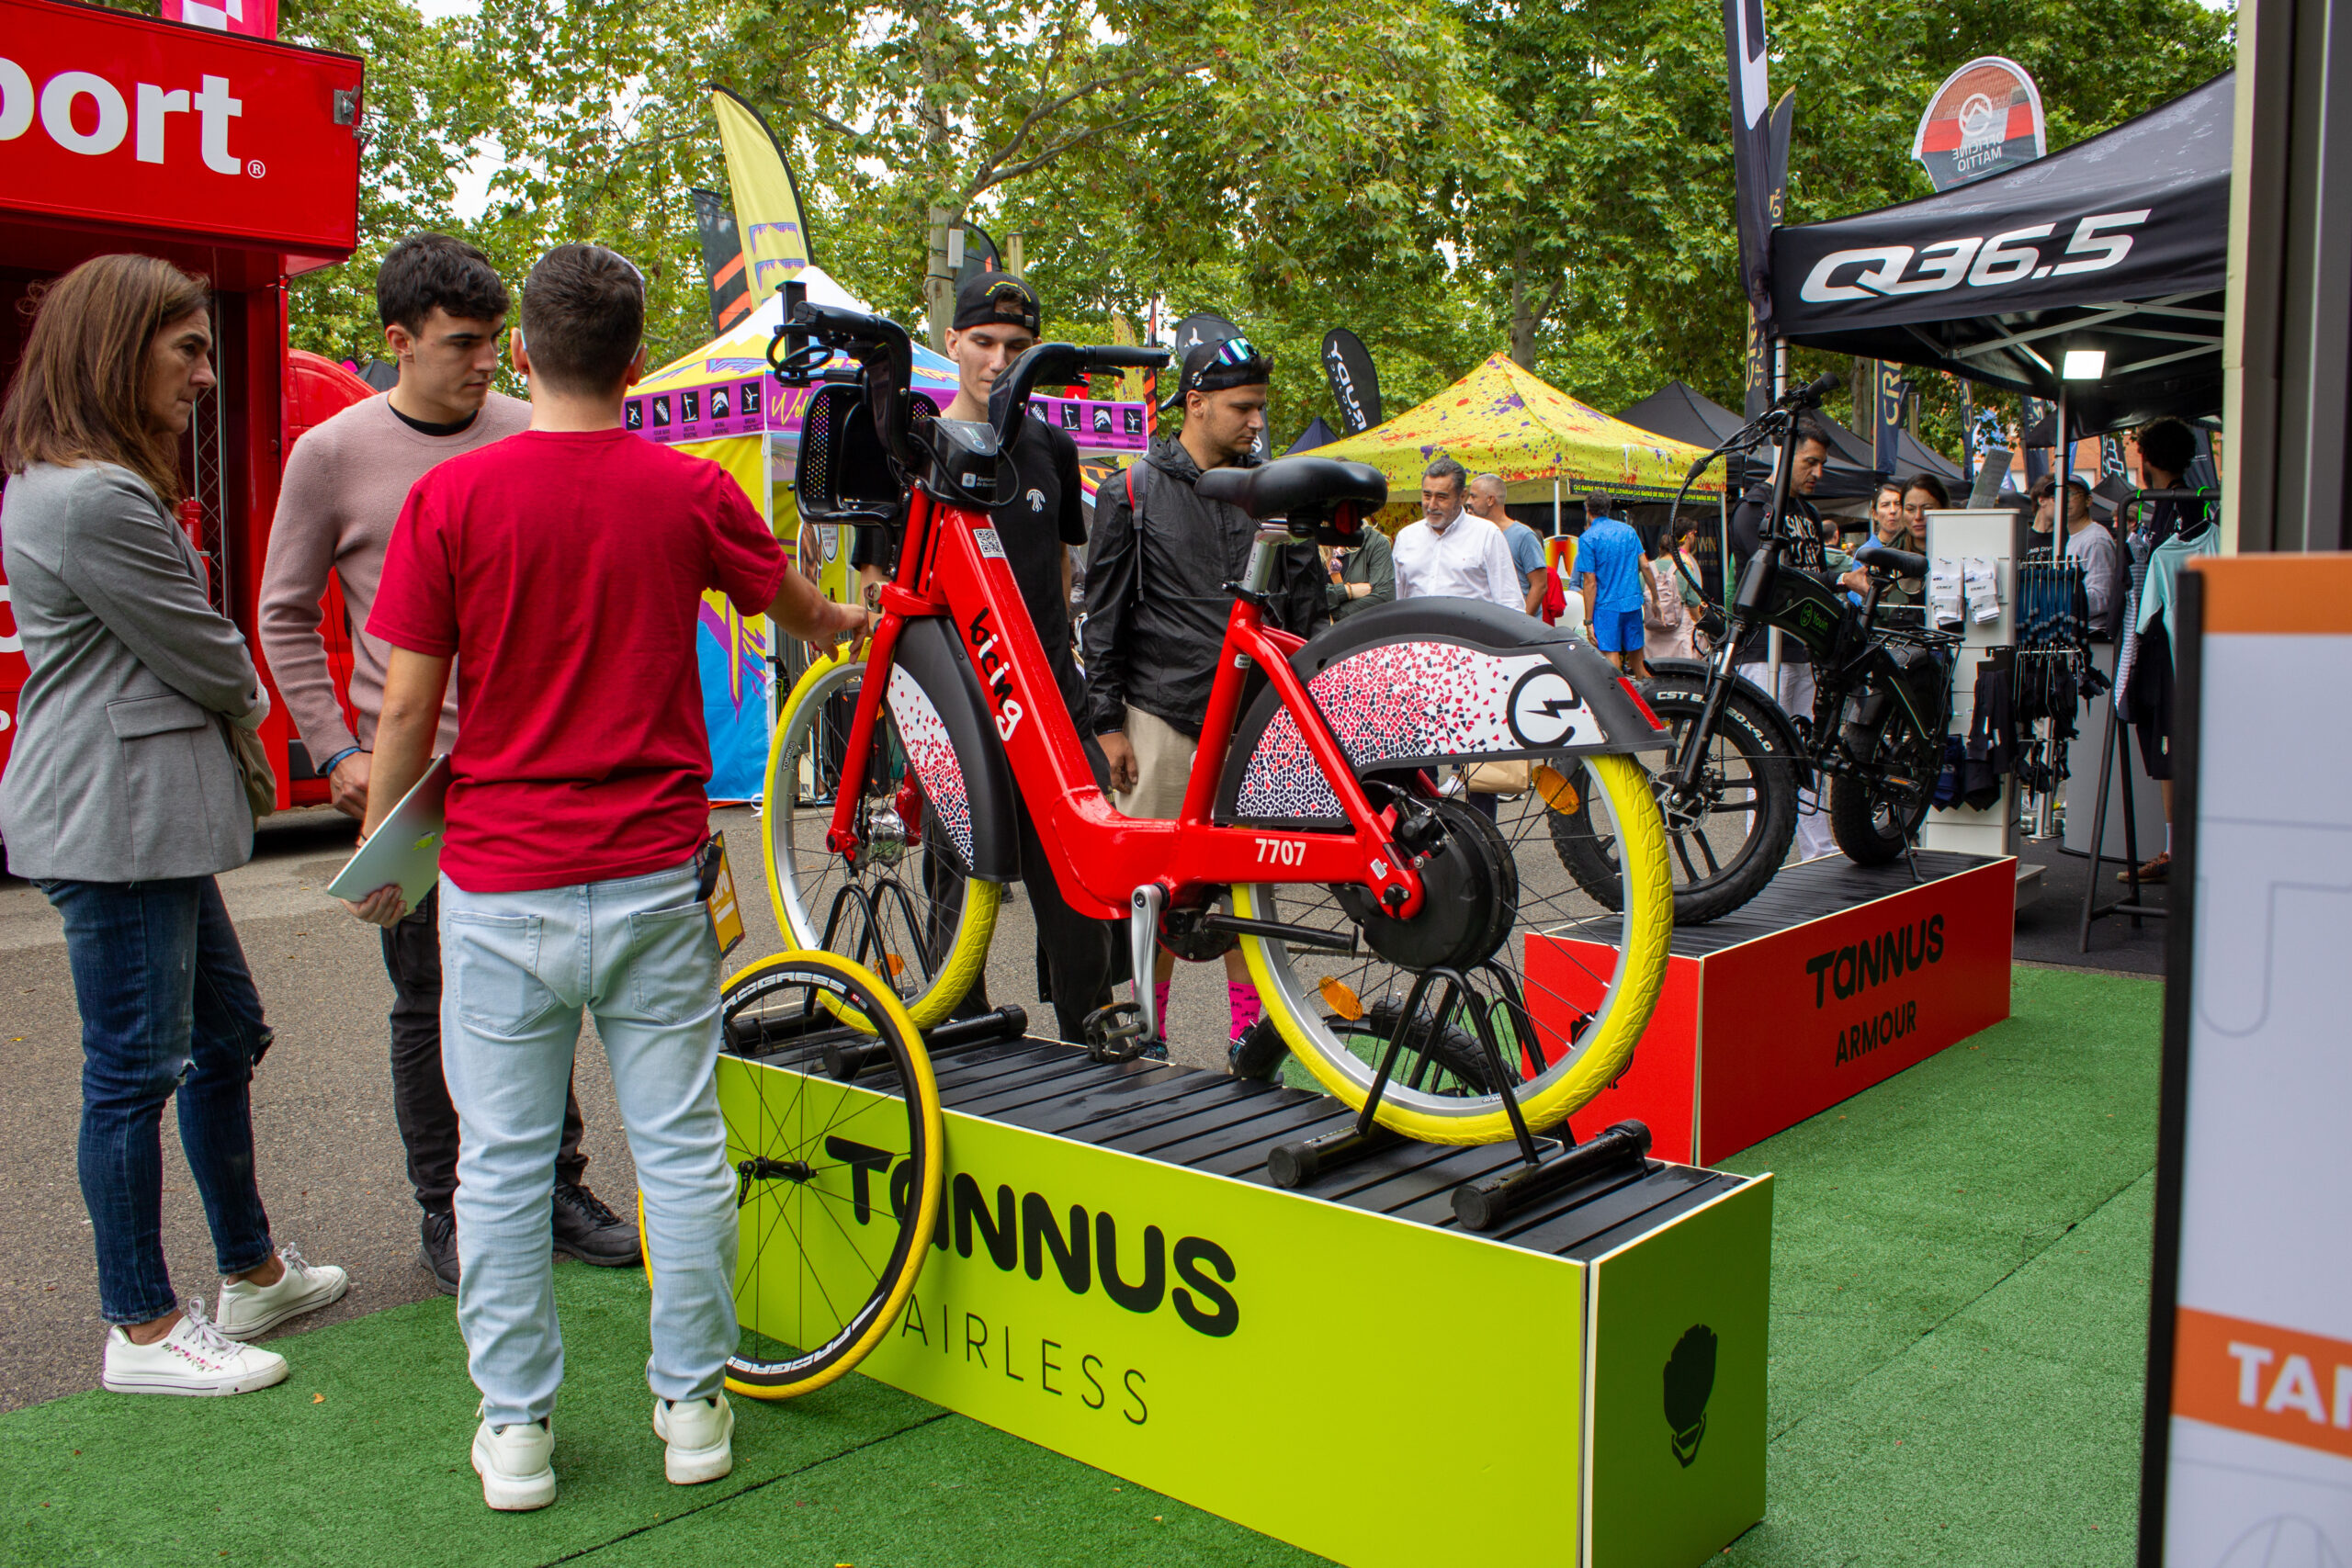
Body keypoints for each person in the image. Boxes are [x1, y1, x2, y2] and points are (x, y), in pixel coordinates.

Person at [345, 244, 865, 1508]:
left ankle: (516, 1428)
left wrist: (381, 855)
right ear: (637, 364)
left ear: (520, 352)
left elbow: (408, 707)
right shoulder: (687, 492)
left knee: (503, 1165)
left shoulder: (451, 502)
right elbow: (806, 612)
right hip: (650, 881)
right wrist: (858, 622)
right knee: (683, 1153)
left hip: (499, 883)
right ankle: (694, 1403)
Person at [258, 234, 635, 1295]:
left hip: (539, 765)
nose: (486, 362)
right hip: (420, 784)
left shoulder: (534, 425)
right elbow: (283, 614)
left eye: (491, 342)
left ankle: (557, 1188)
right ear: (397, 343)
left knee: (550, 984)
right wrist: (335, 746)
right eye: (461, 344)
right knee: (427, 1001)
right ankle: (449, 1206)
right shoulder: (332, 453)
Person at [0, 254, 349, 1395]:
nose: (206, 373)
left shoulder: (82, 484)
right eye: (186, 349)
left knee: (229, 1035)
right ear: (115, 348)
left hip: (144, 817)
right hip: (119, 819)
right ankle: (141, 1327)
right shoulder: (92, 496)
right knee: (132, 1072)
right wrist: (252, 687)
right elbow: (202, 645)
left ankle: (249, 1269)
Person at [849, 272, 1116, 1043]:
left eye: (1018, 346)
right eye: (985, 342)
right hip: (956, 707)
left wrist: (1066, 669)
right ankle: (953, 1030)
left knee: (1076, 885)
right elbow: (875, 578)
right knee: (955, 887)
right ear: (951, 342)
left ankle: (1093, 1028)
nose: (1000, 359)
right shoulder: (911, 445)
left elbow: (1060, 568)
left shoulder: (1052, 449)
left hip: (1050, 703)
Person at [1083, 334, 1324, 1065]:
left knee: (1248, 892)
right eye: (1243, 407)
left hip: (1253, 727)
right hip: (1162, 718)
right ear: (1194, 403)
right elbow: (1104, 612)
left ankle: (1248, 1037)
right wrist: (1106, 722)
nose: (1257, 421)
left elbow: (1305, 612)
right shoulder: (1131, 490)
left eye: (1260, 407)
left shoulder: (1272, 489)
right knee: (1152, 892)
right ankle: (1143, 1036)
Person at [1727, 417, 1838, 863]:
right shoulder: (1756, 509)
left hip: (1802, 648)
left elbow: (1814, 575)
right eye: (1810, 462)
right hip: (1765, 649)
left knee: (1805, 752)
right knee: (1768, 757)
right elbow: (1775, 579)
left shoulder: (1808, 514)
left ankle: (1821, 850)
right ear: (1784, 453)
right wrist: (1839, 578)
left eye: (1821, 464)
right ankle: (1760, 856)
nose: (1818, 473)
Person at [2116, 417, 2210, 885]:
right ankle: (2178, 847)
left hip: (2170, 648)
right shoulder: (2177, 507)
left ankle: (2179, 851)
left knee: (2172, 746)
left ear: (2146, 459)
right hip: (2176, 642)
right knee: (2170, 746)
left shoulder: (2181, 509)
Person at [1392, 457, 1523, 609]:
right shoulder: (1406, 537)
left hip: (1469, 631)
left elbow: (1510, 602)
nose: (1432, 505)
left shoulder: (1487, 534)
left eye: (1441, 497)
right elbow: (1397, 600)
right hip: (1419, 631)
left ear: (1462, 497)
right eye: (1427, 496)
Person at [1574, 492, 1649, 677]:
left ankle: (1618, 701)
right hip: (1632, 602)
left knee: (1611, 656)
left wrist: (1588, 620)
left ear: (1587, 509)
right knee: (1638, 661)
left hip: (1606, 607)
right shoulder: (1629, 531)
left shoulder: (1587, 538)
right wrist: (1654, 598)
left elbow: (1590, 582)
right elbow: (1645, 566)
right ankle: (1650, 698)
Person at [1465, 471, 1547, 614]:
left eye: (1473, 496)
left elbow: (1540, 585)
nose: (1468, 502)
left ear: (1490, 500)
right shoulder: (1473, 535)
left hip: (1516, 627)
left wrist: (1521, 623)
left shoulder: (1523, 536)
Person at [1325, 521, 1395, 622]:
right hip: (1313, 636)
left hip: (1362, 633)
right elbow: (1306, 598)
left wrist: (1332, 614)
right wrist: (1348, 591)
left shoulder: (1374, 542)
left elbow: (1385, 599)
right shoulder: (1311, 541)